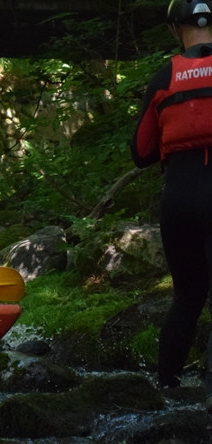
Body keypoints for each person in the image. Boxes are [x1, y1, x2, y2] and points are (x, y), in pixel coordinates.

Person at [132, 0, 212, 401]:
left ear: (174, 30)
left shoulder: (164, 76)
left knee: (187, 297)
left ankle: (165, 391)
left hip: (178, 199)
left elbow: (141, 151)